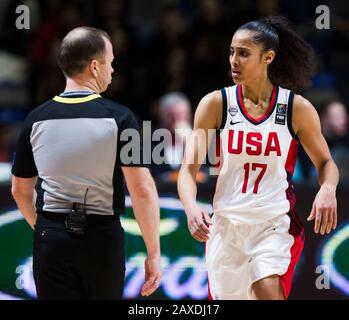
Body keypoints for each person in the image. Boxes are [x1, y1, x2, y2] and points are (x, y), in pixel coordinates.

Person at [177, 16, 339, 300]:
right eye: (231, 52)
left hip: (273, 223)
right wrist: (191, 208)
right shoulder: (216, 103)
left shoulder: (295, 108)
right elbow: (188, 171)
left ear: (268, 57)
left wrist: (327, 189)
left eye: (243, 53)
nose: (234, 61)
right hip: (226, 225)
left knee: (266, 290)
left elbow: (326, 163)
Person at [11, 27, 162, 300]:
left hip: (51, 239)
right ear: (95, 66)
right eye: (110, 62)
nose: (113, 70)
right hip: (100, 239)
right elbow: (141, 189)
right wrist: (153, 252)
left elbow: (20, 191)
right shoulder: (121, 118)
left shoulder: (35, 118)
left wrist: (46, 228)